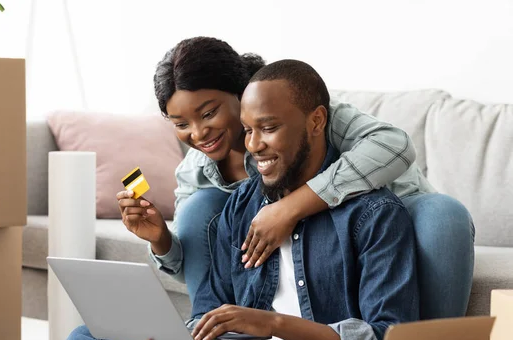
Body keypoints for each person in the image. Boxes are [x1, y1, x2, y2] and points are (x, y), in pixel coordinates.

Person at [61, 59, 420, 340]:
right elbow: (215, 317)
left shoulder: (374, 213)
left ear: (316, 120)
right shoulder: (240, 206)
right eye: (248, 130)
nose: (253, 145)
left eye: (269, 128)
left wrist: (273, 324)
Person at [117, 37, 473, 320]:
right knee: (198, 208)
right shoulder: (196, 171)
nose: (199, 132)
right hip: (309, 239)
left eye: (209, 113)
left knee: (444, 215)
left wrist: (288, 209)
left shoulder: (311, 114)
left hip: (379, 213)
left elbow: (394, 147)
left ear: (242, 93)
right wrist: (162, 240)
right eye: (181, 124)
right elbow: (198, 264)